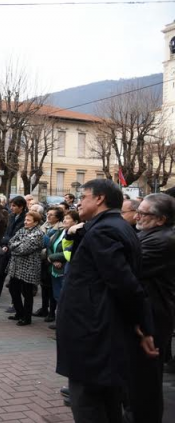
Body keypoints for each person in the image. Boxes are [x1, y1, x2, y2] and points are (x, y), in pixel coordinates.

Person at [56, 179, 157, 423]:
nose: (79, 202)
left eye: (84, 196)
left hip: (93, 334)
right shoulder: (109, 226)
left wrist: (143, 327)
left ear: (99, 198)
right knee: (107, 402)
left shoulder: (105, 230)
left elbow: (125, 284)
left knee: (89, 404)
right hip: (100, 331)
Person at [128, 193, 175, 423]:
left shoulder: (163, 240)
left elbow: (127, 269)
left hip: (154, 318)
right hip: (148, 315)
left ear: (160, 219)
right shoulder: (149, 234)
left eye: (143, 213)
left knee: (146, 381)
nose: (137, 216)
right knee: (138, 378)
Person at [4, 211, 44, 326]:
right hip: (16, 266)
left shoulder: (38, 234)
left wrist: (16, 247)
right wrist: (17, 246)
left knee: (27, 293)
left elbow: (24, 249)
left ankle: (27, 317)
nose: (25, 222)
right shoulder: (22, 230)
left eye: (28, 220)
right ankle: (19, 312)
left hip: (29, 267)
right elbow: (10, 242)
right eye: (25, 220)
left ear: (35, 222)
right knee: (13, 289)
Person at [0, 195, 27, 307]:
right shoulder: (11, 216)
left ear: (21, 207)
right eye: (11, 205)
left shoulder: (25, 218)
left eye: (14, 206)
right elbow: (6, 232)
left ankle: (15, 303)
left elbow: (18, 235)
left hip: (16, 252)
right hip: (6, 250)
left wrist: (7, 241)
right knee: (0, 275)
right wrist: (4, 243)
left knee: (15, 280)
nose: (12, 207)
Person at [46, 210, 79, 330]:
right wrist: (51, 258)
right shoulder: (60, 232)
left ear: (75, 222)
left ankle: (64, 323)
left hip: (64, 268)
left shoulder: (76, 235)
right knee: (57, 296)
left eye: (68, 218)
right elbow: (50, 246)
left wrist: (54, 257)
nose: (65, 220)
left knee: (64, 297)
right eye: (64, 218)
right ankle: (59, 320)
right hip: (54, 267)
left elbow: (70, 251)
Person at [35, 207, 64, 322]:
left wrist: (52, 257)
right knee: (44, 285)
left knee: (52, 287)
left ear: (57, 217)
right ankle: (44, 308)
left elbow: (53, 246)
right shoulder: (44, 226)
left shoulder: (60, 228)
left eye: (52, 215)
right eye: (48, 214)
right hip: (42, 258)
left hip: (52, 260)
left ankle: (52, 311)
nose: (48, 216)